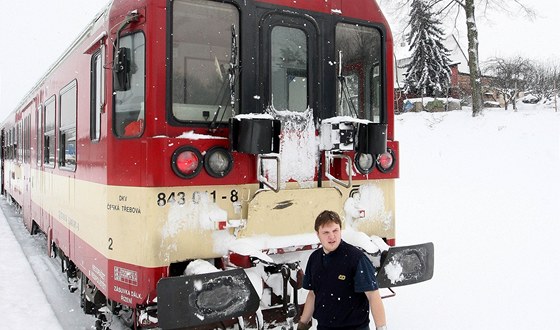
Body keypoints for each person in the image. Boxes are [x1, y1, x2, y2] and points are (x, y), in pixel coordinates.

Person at [298, 210, 387, 330]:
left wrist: (381, 328)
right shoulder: (315, 259)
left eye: (335, 230)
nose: (332, 236)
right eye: (326, 232)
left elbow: (373, 295)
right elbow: (312, 294)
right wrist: (302, 325)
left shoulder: (355, 258)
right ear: (317, 234)